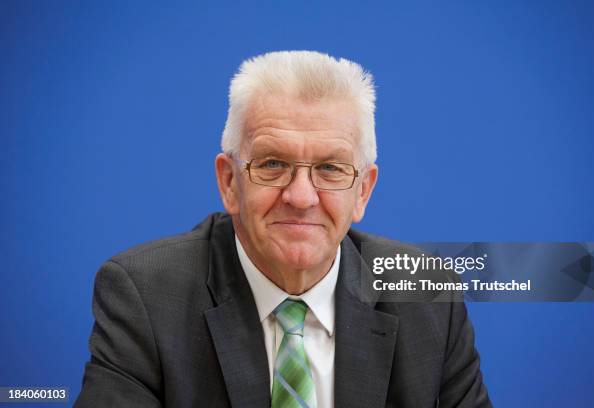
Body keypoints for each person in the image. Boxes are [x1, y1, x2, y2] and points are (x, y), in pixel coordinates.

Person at [75, 50, 492, 407]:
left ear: (363, 191)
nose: (301, 197)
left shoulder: (428, 293)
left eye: (331, 168)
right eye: (273, 164)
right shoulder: (145, 296)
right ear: (228, 182)